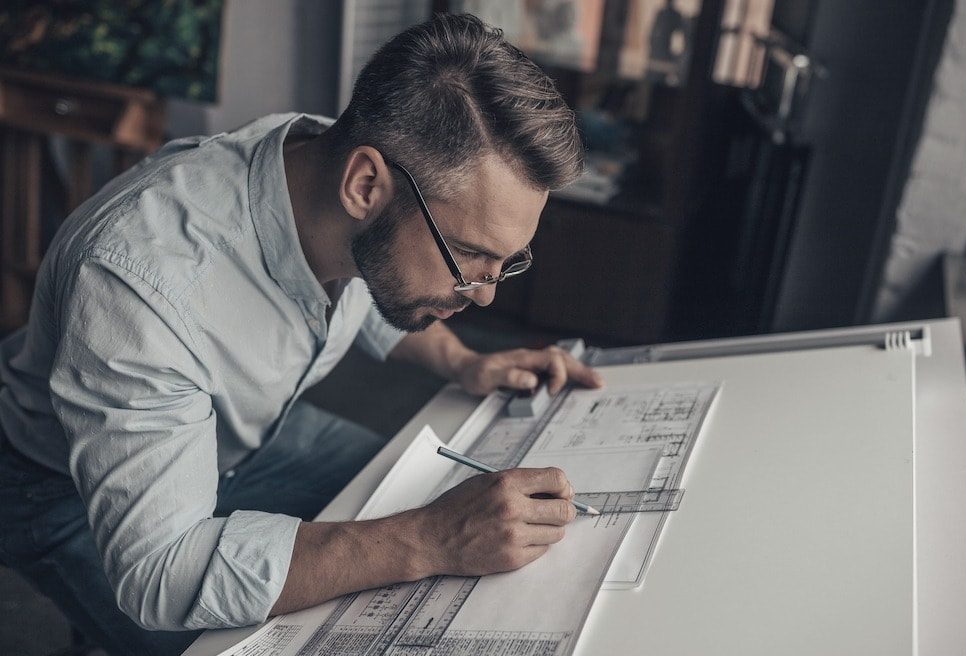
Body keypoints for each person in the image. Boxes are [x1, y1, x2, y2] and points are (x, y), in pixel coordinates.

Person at [0, 13, 602, 655]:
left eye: (506, 261)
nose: (485, 292)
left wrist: (460, 362)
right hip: (61, 486)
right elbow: (161, 572)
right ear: (366, 185)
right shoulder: (139, 283)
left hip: (251, 432)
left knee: (425, 497)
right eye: (470, 256)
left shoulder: (318, 170)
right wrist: (431, 538)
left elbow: (378, 285)